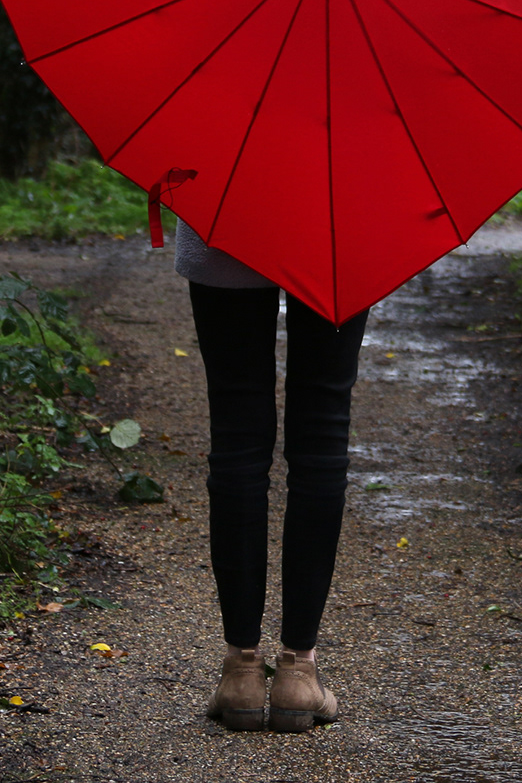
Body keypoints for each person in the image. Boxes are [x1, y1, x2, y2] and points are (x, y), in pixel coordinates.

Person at [174, 218, 369, 733]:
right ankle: (299, 671)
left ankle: (241, 669)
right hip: (337, 231)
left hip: (224, 215)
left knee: (236, 430)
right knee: (322, 431)